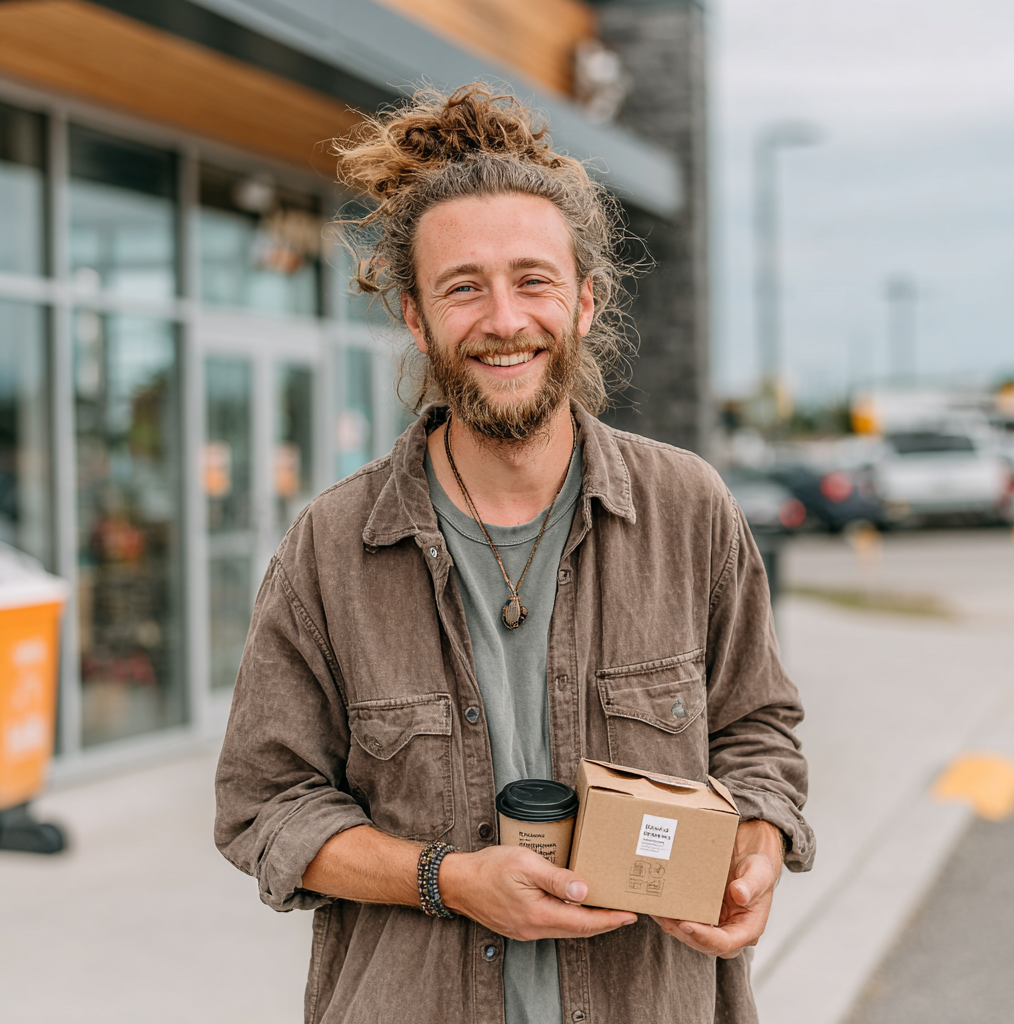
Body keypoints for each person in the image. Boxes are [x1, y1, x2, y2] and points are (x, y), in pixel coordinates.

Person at [215, 84, 814, 1024]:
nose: (504, 319)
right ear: (414, 317)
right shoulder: (331, 548)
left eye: (532, 280)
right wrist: (445, 879)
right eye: (464, 287)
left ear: (583, 301)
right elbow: (266, 807)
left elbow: (758, 735)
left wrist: (757, 847)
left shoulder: (688, 509)